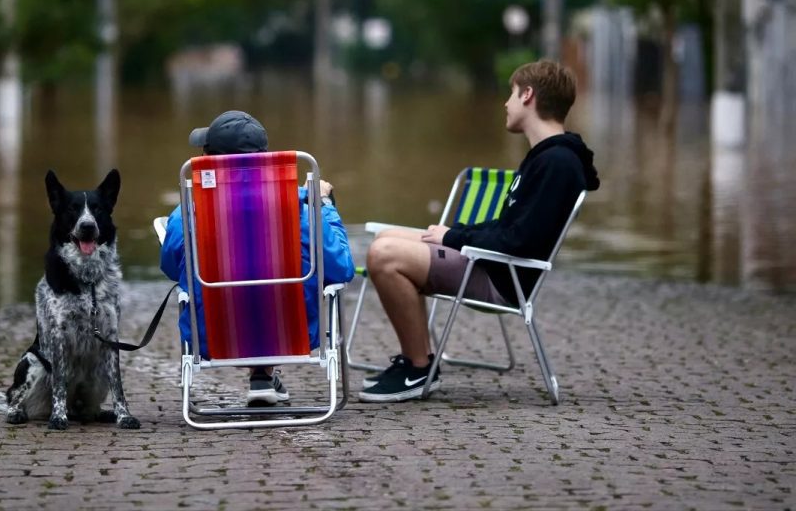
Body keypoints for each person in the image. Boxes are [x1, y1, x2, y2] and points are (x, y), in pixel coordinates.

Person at [358, 59, 600, 403]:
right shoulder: (546, 157)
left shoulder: (557, 164)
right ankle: (419, 362)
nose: (506, 103)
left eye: (512, 94)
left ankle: (418, 367)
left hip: (502, 277)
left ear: (528, 95)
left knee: (384, 256)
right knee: (386, 238)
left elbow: (520, 240)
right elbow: (508, 225)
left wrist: (454, 238)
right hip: (491, 262)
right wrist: (451, 231)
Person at [160, 110, 356, 407]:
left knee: (233, 285)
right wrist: (324, 205)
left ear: (210, 159)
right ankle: (264, 374)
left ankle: (262, 376)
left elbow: (172, 268)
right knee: (268, 284)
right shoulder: (300, 205)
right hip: (293, 330)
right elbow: (342, 268)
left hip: (214, 333)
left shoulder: (190, 211)